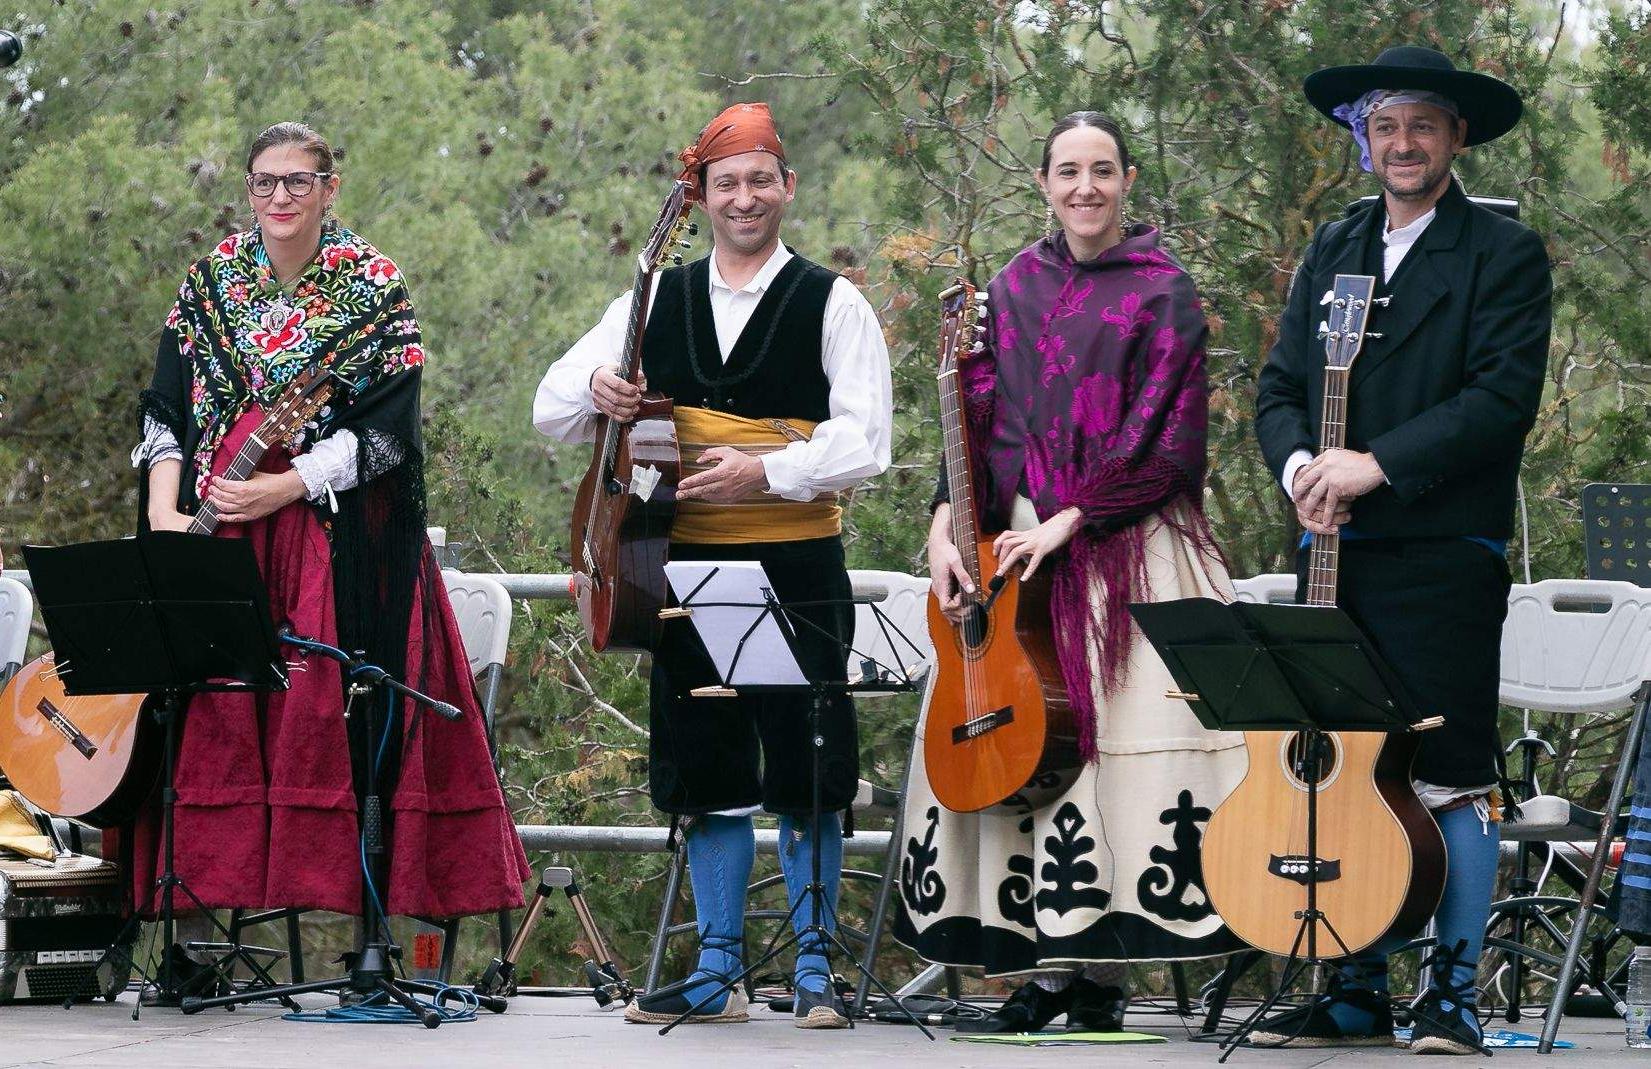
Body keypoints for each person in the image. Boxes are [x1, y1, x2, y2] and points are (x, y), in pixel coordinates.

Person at [534, 102, 892, 1028]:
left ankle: (814, 965)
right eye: (725, 182)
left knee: (810, 760)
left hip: (800, 560)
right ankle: (719, 966)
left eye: (760, 180)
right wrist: (597, 388)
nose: (744, 197)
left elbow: (868, 443)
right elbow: (549, 412)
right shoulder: (652, 302)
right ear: (700, 194)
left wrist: (766, 469)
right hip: (682, 571)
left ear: (788, 187)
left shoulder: (832, 299)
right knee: (705, 762)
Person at [897, 112, 1245, 1033]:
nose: (1084, 188)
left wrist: (1071, 519)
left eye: (1101, 170)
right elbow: (975, 418)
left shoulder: (1167, 292)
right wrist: (944, 521)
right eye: (1066, 172)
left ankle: (1102, 970)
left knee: (1112, 760)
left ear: (1128, 179)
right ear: (1044, 183)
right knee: (1014, 741)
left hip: (1125, 546)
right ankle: (1041, 969)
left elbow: (1173, 446)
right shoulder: (1013, 285)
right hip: (1014, 550)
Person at [131, 122, 528, 927]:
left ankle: (365, 940)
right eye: (265, 182)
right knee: (210, 722)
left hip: (337, 544)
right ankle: (202, 934)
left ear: (330, 187)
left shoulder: (373, 285)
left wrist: (286, 490)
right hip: (212, 540)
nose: (280, 197)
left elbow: (389, 433)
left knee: (342, 722)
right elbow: (165, 406)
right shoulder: (209, 282)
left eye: (298, 182)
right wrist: (162, 511)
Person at [1252, 46, 1550, 1055]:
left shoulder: (1501, 256)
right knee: (1337, 764)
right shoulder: (1334, 249)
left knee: (1450, 771)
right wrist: (1300, 468)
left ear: (1456, 137)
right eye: (1385, 126)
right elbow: (1279, 388)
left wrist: (1373, 466)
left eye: (1423, 124)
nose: (1404, 143)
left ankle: (1453, 996)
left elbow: (1498, 402)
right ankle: (1354, 987)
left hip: (1440, 552)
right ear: (1362, 139)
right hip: (1331, 552)